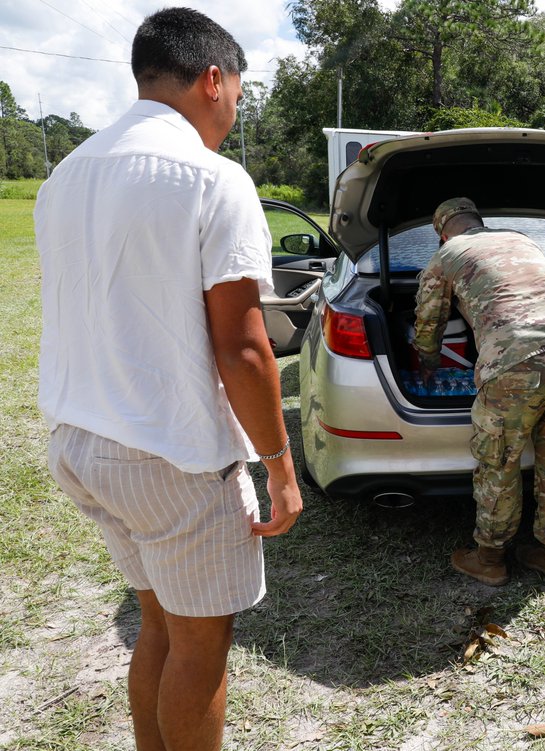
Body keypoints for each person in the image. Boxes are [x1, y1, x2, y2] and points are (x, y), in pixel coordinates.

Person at [34, 8, 302, 751]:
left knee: (159, 623)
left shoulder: (65, 175)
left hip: (81, 442)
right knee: (200, 644)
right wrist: (280, 466)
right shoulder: (214, 180)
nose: (234, 110)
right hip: (171, 458)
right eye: (239, 94)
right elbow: (243, 346)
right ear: (212, 79)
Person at [413, 198, 545, 587]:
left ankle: (490, 559)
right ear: (479, 222)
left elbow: (429, 321)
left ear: (442, 232)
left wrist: (427, 362)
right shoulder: (520, 239)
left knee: (498, 462)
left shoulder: (448, 253)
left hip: (514, 363)